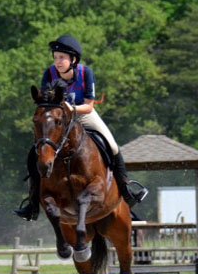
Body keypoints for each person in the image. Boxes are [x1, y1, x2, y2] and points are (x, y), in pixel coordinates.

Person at [14, 34, 148, 221]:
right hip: (59, 119)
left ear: (73, 60)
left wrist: (72, 108)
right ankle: (33, 201)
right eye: (55, 57)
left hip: (83, 114)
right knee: (35, 153)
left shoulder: (86, 73)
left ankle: (126, 189)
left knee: (112, 145)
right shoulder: (49, 73)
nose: (57, 61)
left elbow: (89, 105)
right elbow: (46, 103)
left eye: (62, 57)